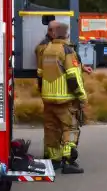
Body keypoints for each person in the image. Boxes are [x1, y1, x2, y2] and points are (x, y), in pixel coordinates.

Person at [36, 20, 88, 174]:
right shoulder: (67, 51)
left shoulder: (45, 50)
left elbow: (40, 74)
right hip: (65, 99)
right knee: (70, 128)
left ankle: (54, 160)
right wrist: (81, 96)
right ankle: (68, 161)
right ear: (66, 34)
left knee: (51, 129)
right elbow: (73, 77)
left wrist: (42, 92)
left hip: (48, 98)